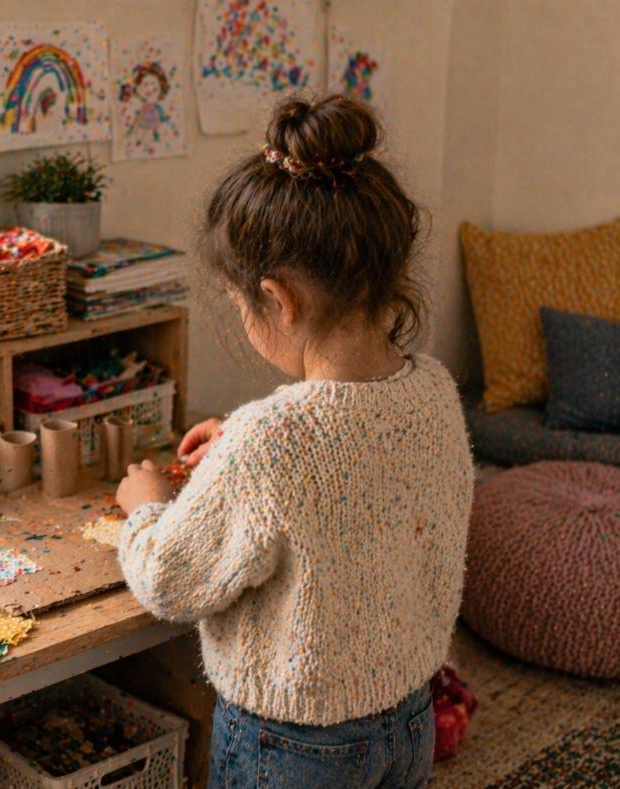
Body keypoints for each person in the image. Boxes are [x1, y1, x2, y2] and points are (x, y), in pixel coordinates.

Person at [115, 93, 474, 788]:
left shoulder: (272, 440)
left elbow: (168, 578)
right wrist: (239, 451)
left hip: (294, 748)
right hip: (408, 720)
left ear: (278, 299)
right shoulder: (433, 390)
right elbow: (362, 486)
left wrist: (146, 504)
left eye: (241, 304)